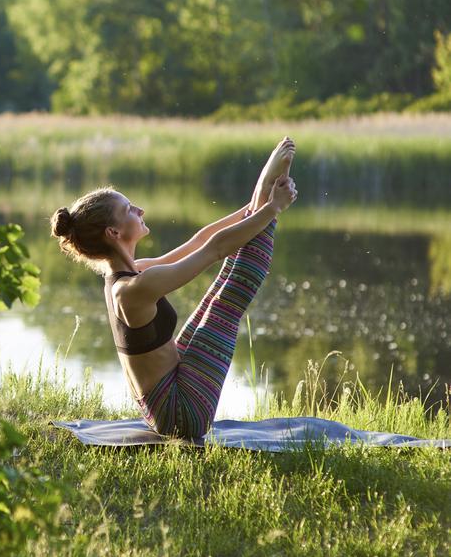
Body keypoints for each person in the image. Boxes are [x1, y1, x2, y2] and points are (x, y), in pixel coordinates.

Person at [49, 138, 297, 439]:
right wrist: (272, 208)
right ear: (113, 232)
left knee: (219, 288)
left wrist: (254, 207)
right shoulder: (132, 289)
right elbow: (214, 250)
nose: (140, 210)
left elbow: (199, 241)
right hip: (182, 414)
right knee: (231, 293)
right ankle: (266, 192)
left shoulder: (133, 272)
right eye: (129, 209)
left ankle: (264, 190)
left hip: (172, 396)